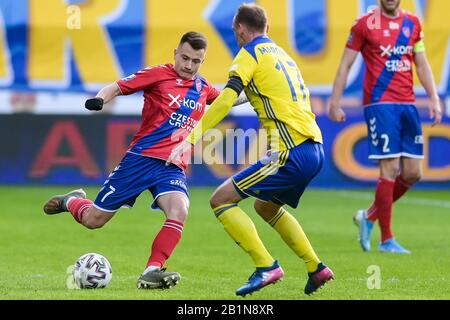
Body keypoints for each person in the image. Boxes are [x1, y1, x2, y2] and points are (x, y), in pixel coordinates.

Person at [169, 3, 334, 296]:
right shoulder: (283, 55)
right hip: (314, 148)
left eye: (236, 32)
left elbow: (225, 100)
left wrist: (189, 140)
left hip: (290, 152)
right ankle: (315, 267)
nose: (237, 37)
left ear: (240, 29)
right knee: (266, 206)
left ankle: (266, 265)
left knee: (220, 200)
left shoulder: (249, 54)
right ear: (267, 28)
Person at [43, 32, 224, 289]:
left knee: (179, 211)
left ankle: (152, 270)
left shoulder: (203, 87)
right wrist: (100, 99)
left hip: (172, 165)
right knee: (94, 220)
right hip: (140, 159)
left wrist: (258, 90)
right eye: (185, 58)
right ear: (175, 53)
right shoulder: (157, 74)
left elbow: (230, 99)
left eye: (196, 61)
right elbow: (117, 86)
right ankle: (71, 200)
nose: (189, 65)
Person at [328, 0, 442, 253]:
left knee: (413, 173)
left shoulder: (413, 22)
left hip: (407, 104)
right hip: (380, 103)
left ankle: (368, 216)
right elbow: (346, 64)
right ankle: (386, 239)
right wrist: (335, 102)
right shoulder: (363, 24)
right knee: (389, 168)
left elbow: (421, 63)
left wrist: (433, 97)